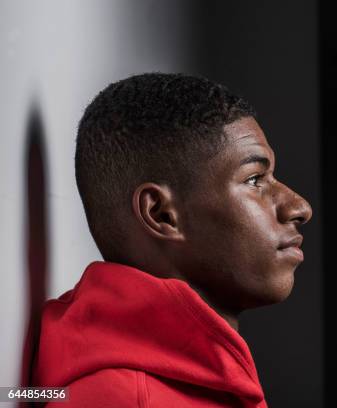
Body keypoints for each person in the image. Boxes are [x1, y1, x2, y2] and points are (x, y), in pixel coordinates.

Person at [32, 73, 312, 407]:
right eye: (254, 180)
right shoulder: (122, 399)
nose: (299, 207)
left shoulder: (185, 380)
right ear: (162, 214)